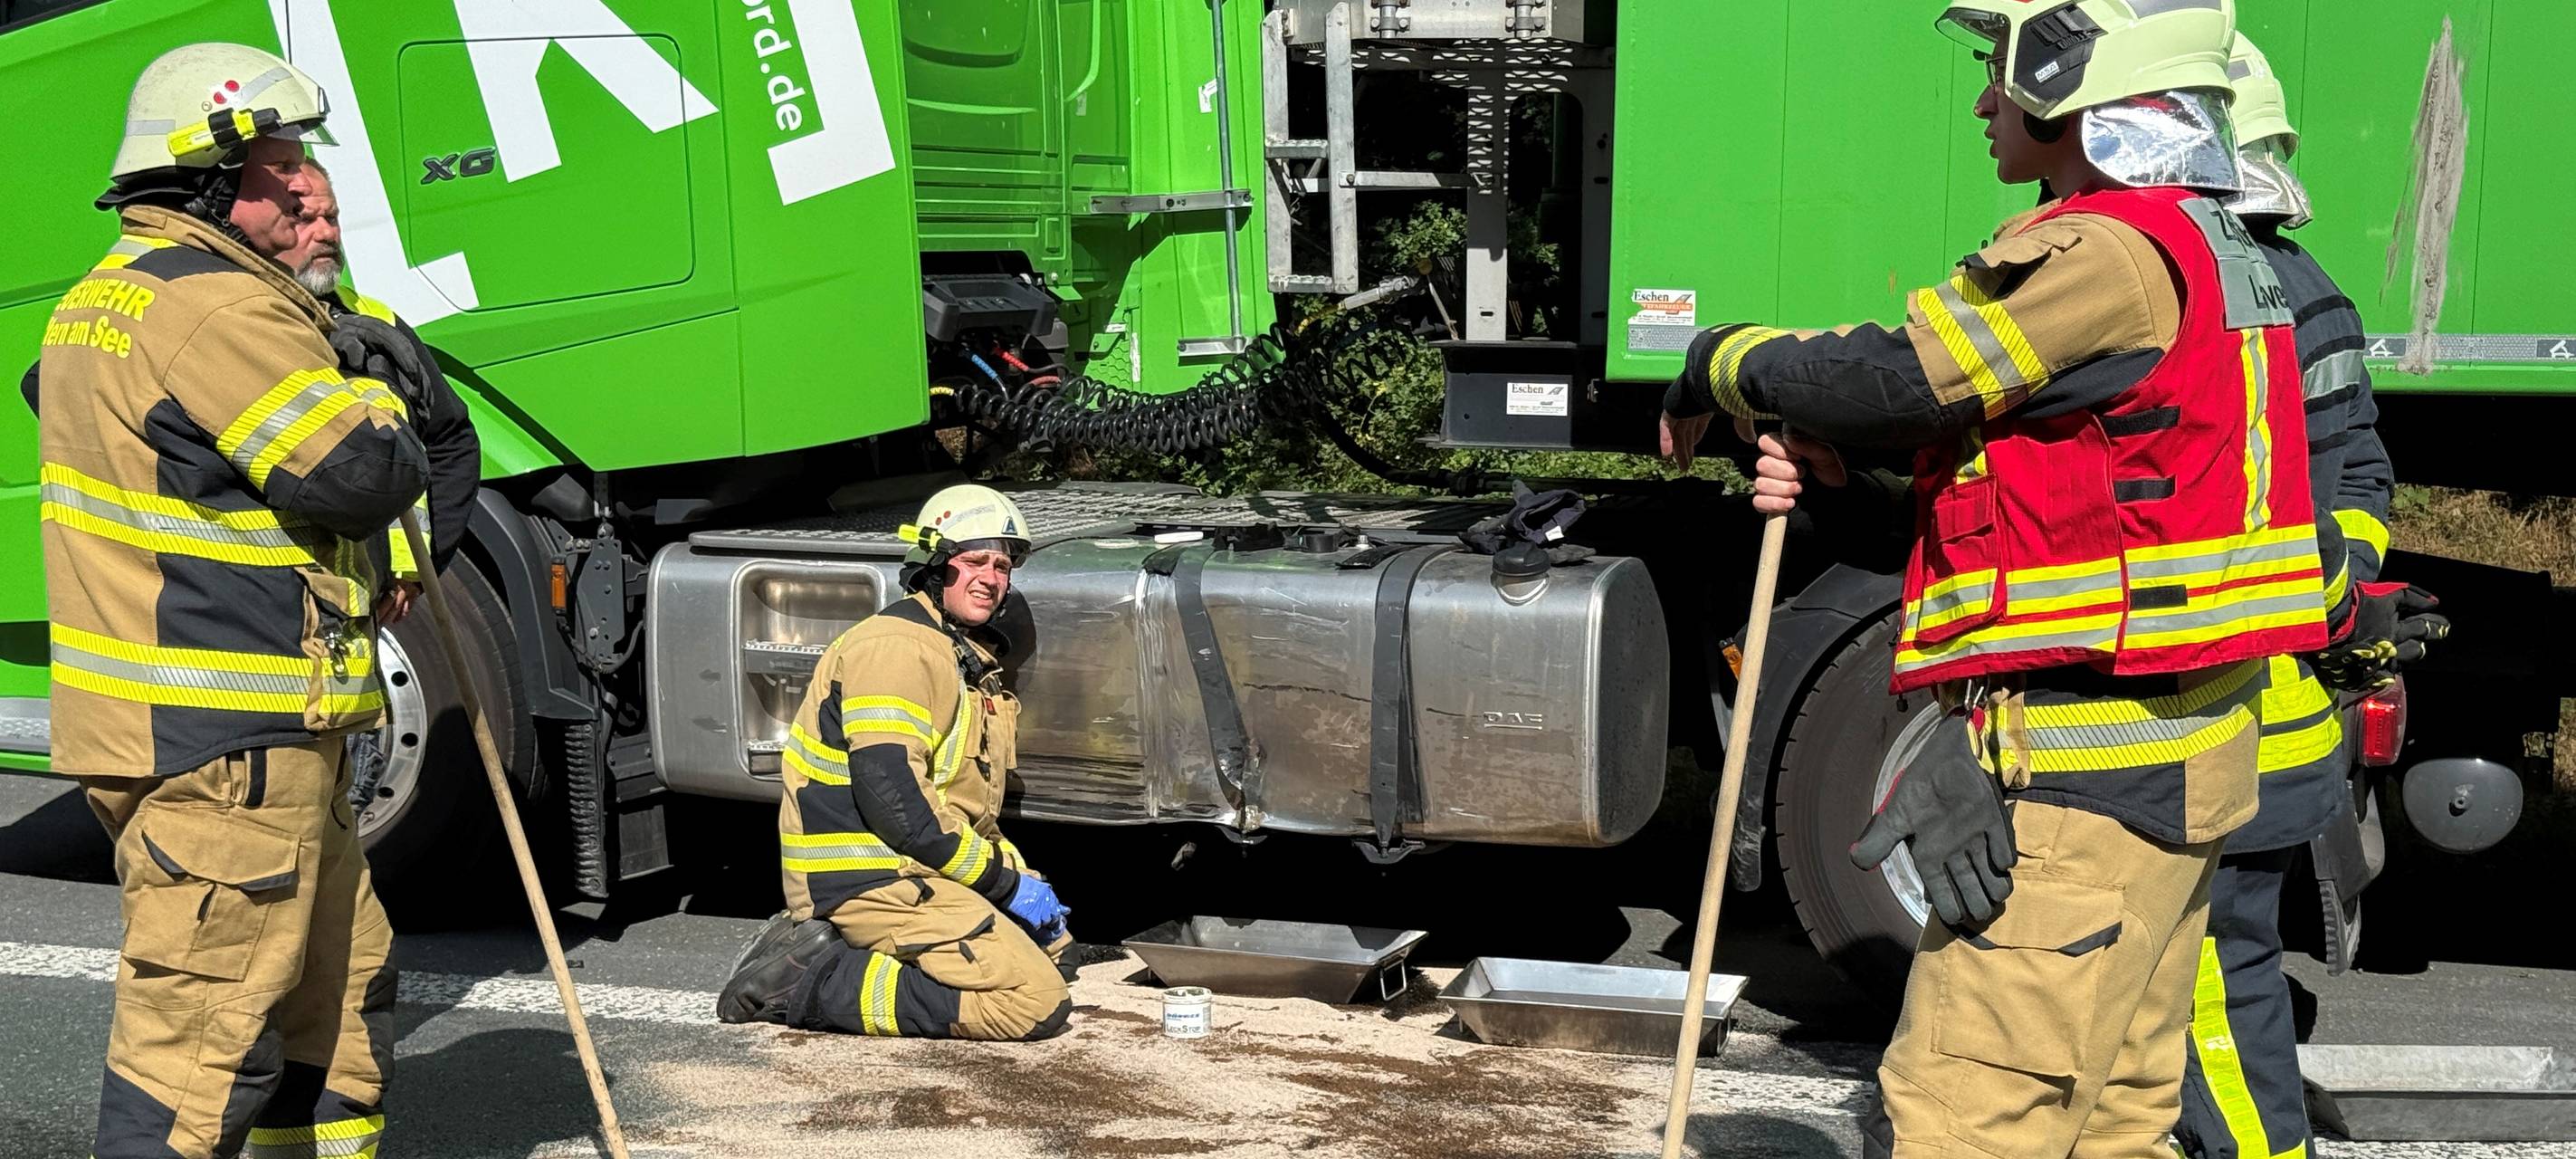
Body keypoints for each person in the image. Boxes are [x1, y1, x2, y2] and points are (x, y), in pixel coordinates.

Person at [1660, 2, 2331, 1154]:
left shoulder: (2103, 252)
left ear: (2074, 92)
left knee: (1968, 1117)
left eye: (2000, 75)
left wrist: (1715, 360)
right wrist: (1851, 487)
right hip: (2174, 766)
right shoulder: (2211, 246)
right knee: (2110, 1117)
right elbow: (2074, 490)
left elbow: (1897, 381)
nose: (1981, 101)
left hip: (2079, 783)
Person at [39, 43, 426, 1159]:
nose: (306, 184)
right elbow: (360, 473)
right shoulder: (219, 309)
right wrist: (376, 384)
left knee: (333, 999)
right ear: (206, 180)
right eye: (279, 162)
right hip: (228, 745)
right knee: (198, 1053)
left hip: (231, 736)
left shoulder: (106, 298)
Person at [2172, 34, 2443, 1159]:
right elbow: (2361, 475)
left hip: (2211, 719)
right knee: (2224, 977)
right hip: (2284, 713)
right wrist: (2337, 591)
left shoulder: (2193, 291)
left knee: (2207, 991)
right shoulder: (2312, 291)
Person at [716, 484, 1076, 1041]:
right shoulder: (896, 649)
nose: (991, 578)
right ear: (933, 566)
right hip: (870, 878)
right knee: (1032, 1002)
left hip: (918, 867)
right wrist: (1004, 886)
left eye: (1002, 566)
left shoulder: (957, 654)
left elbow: (961, 807)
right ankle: (809, 979)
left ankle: (865, 953)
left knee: (1058, 956)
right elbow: (897, 805)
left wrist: (1020, 877)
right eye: (974, 561)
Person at [275, 159, 482, 628]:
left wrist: (418, 573)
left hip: (365, 605)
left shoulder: (375, 321)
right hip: (281, 604)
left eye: (332, 217)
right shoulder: (240, 324)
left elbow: (451, 441)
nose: (326, 234)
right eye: (304, 220)